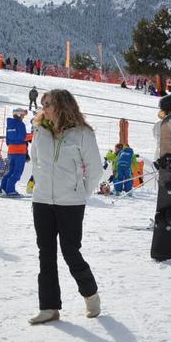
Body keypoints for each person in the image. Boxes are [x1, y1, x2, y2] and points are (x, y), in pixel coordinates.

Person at [28, 89, 102, 325]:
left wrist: (79, 192)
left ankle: (90, 294)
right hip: (41, 202)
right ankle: (49, 307)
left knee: (70, 252)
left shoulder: (82, 134)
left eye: (48, 104)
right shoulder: (40, 131)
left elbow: (95, 169)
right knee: (45, 254)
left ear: (62, 105)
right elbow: (36, 161)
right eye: (43, 104)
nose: (44, 108)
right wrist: (40, 184)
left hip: (70, 203)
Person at [0, 108, 29, 196]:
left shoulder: (10, 124)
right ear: (19, 115)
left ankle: (3, 188)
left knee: (11, 170)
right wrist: (32, 135)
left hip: (11, 150)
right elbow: (23, 137)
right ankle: (10, 190)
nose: (23, 117)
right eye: (23, 115)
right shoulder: (20, 124)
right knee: (17, 171)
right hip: (20, 151)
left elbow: (7, 139)